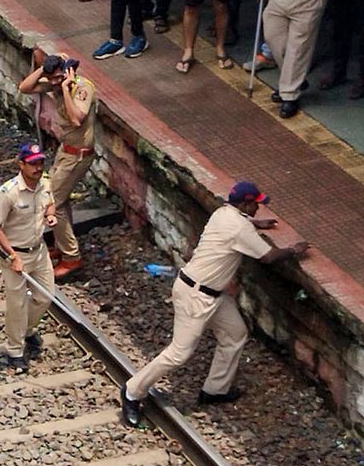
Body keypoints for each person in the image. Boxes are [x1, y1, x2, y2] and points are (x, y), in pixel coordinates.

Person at [120, 183, 310, 427]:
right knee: (179, 353)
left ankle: (215, 390)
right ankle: (132, 391)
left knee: (235, 333)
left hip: (211, 294)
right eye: (255, 205)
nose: (257, 209)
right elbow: (269, 257)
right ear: (244, 204)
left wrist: (255, 224)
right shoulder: (240, 227)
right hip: (195, 296)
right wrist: (294, 250)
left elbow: (239, 227)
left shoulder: (223, 213)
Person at [18, 54, 96, 279]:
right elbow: (24, 88)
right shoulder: (54, 82)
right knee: (60, 200)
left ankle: (71, 258)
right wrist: (43, 70)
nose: (53, 82)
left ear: (69, 73)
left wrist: (64, 88)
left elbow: (76, 119)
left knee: (53, 202)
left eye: (58, 77)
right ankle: (62, 246)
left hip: (78, 156)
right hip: (66, 151)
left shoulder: (82, 88)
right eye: (51, 78)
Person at [0, 143, 56, 372]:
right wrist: (12, 256)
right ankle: (15, 350)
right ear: (21, 165)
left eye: (40, 162)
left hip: (39, 250)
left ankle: (27, 330)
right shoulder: (7, 193)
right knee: (16, 304)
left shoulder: (45, 183)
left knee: (45, 296)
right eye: (33, 163)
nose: (38, 167)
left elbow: (50, 203)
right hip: (15, 254)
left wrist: (50, 216)